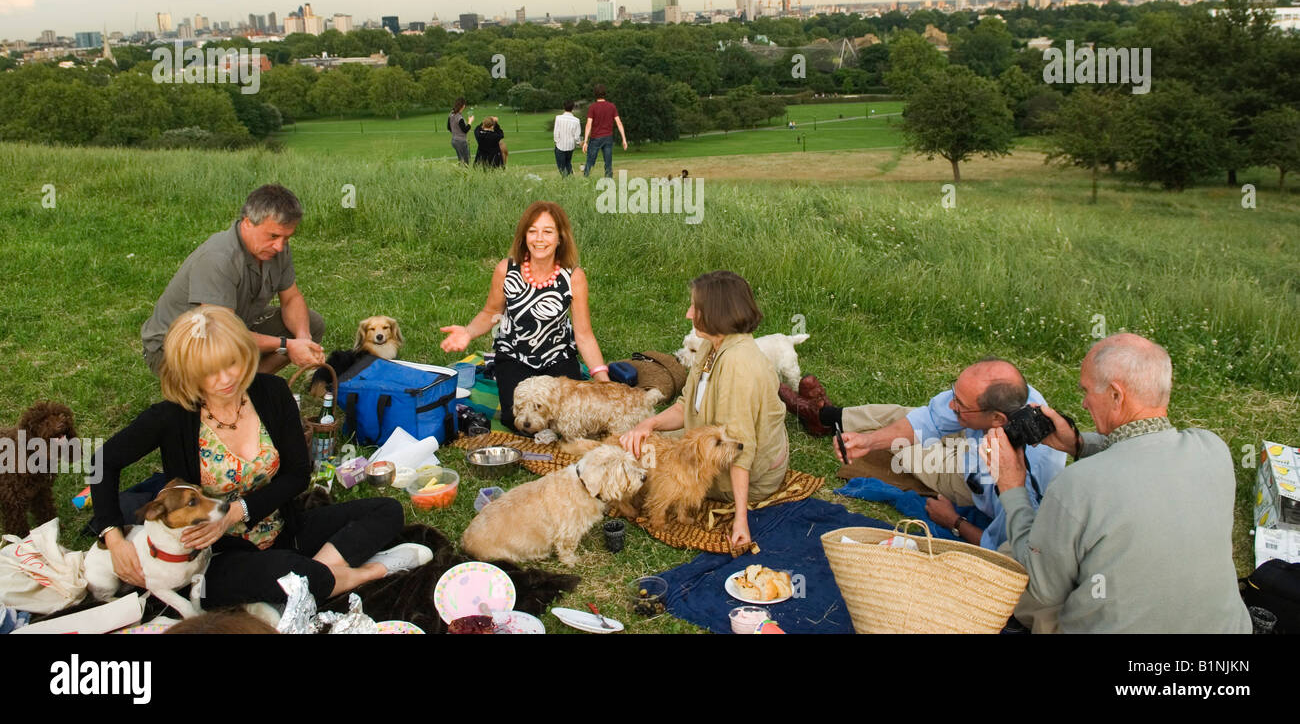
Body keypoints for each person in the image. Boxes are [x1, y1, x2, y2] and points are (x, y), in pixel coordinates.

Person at [93, 306, 430, 610]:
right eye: (210, 372)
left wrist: (237, 512)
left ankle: (320, 575)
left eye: (232, 364)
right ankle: (362, 573)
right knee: (291, 573)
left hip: (283, 527)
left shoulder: (272, 393)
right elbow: (101, 462)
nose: (226, 380)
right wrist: (113, 536)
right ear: (188, 373)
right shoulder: (171, 416)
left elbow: (298, 473)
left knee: (387, 510)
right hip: (215, 556)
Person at [987, 333, 1251, 633]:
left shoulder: (1076, 485)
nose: (1084, 403)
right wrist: (1077, 444)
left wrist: (1011, 486)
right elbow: (1145, 455)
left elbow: (1041, 587)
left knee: (1012, 558)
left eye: (1086, 390)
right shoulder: (1212, 448)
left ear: (1116, 394)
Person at [621, 271, 789, 550]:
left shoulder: (739, 366)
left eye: (695, 308)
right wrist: (647, 425)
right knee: (637, 444)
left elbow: (740, 448)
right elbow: (686, 404)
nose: (688, 313)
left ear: (716, 313)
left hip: (749, 470)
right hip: (709, 438)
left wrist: (740, 519)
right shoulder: (712, 344)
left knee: (660, 470)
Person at [829, 359, 1065, 551]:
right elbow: (930, 418)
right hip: (977, 441)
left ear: (998, 419)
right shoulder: (1013, 399)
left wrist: (955, 522)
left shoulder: (1015, 483)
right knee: (910, 417)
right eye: (955, 394)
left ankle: (848, 426)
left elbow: (1006, 548)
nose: (952, 405)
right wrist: (869, 442)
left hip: (973, 477)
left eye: (960, 403)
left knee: (906, 450)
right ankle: (831, 417)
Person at [438, 201, 612, 432]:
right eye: (533, 231)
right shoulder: (506, 269)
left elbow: (584, 334)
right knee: (519, 420)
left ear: (560, 238)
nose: (539, 238)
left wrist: (602, 380)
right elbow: (491, 313)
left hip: (557, 356)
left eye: (548, 231)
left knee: (572, 419)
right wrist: (468, 332)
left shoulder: (574, 277)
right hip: (514, 356)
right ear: (524, 236)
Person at [141, 184, 325, 376]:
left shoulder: (277, 250)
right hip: (177, 347)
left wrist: (303, 338)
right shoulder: (218, 258)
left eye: (286, 238)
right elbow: (221, 333)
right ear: (247, 223)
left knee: (312, 323)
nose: (279, 246)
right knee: (225, 357)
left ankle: (252, 386)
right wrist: (287, 345)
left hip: (232, 325)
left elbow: (291, 298)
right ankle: (227, 392)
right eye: (273, 236)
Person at [581, 84, 627, 179]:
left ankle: (585, 180)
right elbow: (619, 123)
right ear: (605, 94)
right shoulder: (612, 106)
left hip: (595, 138)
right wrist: (624, 139)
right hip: (608, 138)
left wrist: (585, 141)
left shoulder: (592, 107)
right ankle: (609, 182)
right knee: (608, 163)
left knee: (590, 162)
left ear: (595, 94)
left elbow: (588, 124)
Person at [553, 100, 582, 176]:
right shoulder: (576, 120)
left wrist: (556, 141)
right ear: (572, 108)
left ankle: (566, 181)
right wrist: (579, 143)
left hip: (560, 146)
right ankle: (571, 180)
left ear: (564, 107)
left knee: (561, 167)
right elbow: (577, 136)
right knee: (568, 163)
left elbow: (556, 132)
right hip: (570, 146)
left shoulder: (558, 118)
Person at [448, 97, 473, 165]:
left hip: (454, 141)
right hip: (461, 142)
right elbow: (465, 130)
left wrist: (456, 133)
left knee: (461, 160)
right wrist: (470, 121)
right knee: (466, 162)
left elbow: (449, 128)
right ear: (463, 106)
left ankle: (460, 173)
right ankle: (464, 174)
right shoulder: (460, 118)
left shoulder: (451, 114)